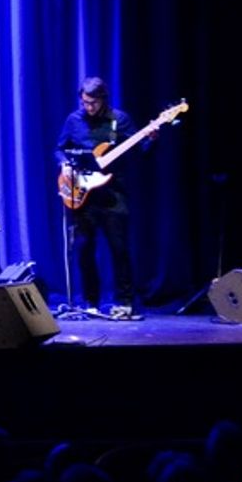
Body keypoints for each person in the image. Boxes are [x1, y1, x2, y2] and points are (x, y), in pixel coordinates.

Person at [54, 77, 149, 319]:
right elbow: (59, 149)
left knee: (119, 249)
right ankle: (90, 301)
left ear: (103, 99)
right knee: (85, 249)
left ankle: (125, 302)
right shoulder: (74, 120)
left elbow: (140, 150)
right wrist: (64, 164)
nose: (88, 107)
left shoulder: (120, 120)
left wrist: (150, 139)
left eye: (93, 103)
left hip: (113, 193)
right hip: (83, 194)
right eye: (85, 102)